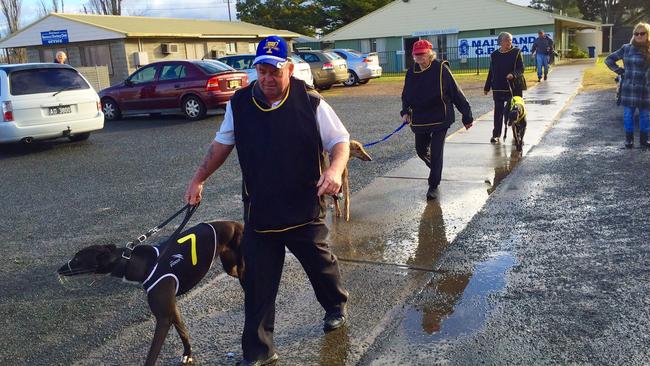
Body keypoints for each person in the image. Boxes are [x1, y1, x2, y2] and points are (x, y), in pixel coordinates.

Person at [184, 35, 350, 366]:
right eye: (262, 71)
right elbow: (221, 145)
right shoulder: (240, 104)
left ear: (289, 68)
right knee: (258, 284)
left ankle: (335, 304)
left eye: (274, 71)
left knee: (322, 268)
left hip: (303, 209)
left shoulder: (311, 101)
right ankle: (260, 351)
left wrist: (333, 170)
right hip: (261, 212)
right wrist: (198, 178)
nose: (268, 79)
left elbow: (339, 140)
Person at [401, 39, 474, 201]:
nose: (419, 57)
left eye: (422, 54)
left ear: (430, 54)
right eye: (416, 54)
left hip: (440, 116)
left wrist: (466, 115)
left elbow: (456, 93)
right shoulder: (411, 72)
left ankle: (433, 184)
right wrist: (405, 111)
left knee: (436, 151)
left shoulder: (441, 69)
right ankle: (435, 167)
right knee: (420, 150)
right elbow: (406, 94)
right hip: (420, 118)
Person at [605, 22, 650, 148]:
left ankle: (644, 140)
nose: (639, 36)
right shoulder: (626, 48)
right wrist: (620, 71)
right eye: (636, 34)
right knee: (628, 114)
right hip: (629, 87)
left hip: (646, 88)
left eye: (642, 33)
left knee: (645, 115)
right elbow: (608, 60)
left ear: (648, 35)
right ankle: (629, 140)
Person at [484, 32, 524, 144]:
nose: (509, 42)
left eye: (510, 40)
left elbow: (521, 69)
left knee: (514, 112)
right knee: (498, 113)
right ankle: (496, 135)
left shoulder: (516, 52)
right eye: (506, 40)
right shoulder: (494, 55)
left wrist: (513, 74)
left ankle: (518, 133)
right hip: (498, 88)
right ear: (500, 42)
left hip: (513, 88)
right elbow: (491, 71)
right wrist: (487, 87)